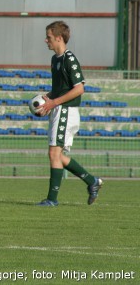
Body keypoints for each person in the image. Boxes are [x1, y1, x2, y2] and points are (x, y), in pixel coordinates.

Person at [35, 21, 103, 207]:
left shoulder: (69, 59)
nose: (45, 40)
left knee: (53, 153)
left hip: (66, 111)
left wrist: (53, 103)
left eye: (48, 37)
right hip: (59, 109)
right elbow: (59, 89)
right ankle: (92, 181)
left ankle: (52, 199)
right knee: (58, 156)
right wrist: (46, 98)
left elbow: (79, 89)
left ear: (58, 38)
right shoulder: (55, 59)